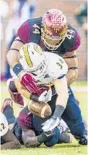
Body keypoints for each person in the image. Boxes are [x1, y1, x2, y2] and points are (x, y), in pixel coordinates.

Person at [6, 9, 88, 145]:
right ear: (42, 29)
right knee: (50, 137)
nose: (53, 41)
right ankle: (12, 91)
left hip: (53, 76)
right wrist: (22, 75)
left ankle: (65, 125)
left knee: (76, 124)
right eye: (50, 36)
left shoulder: (67, 43)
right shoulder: (31, 29)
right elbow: (12, 54)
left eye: (58, 37)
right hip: (34, 77)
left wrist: (54, 88)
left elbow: (73, 71)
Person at [1, 98, 72, 148]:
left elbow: (17, 143)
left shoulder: (26, 119)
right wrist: (42, 137)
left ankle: (7, 108)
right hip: (17, 128)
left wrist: (66, 138)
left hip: (19, 129)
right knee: (12, 126)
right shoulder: (25, 118)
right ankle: (7, 108)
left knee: (51, 139)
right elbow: (28, 142)